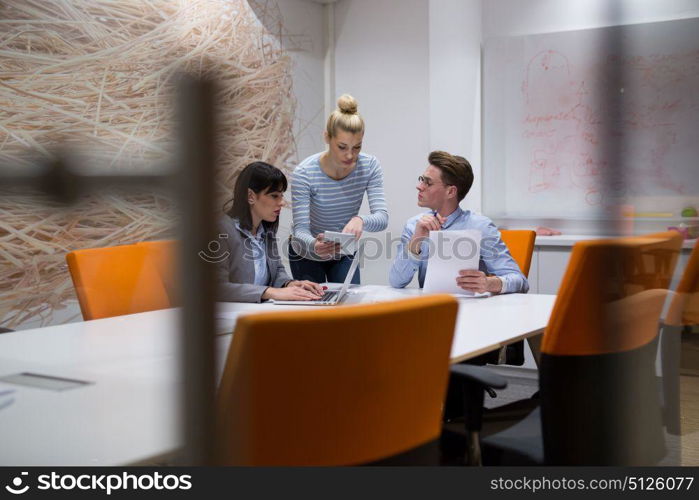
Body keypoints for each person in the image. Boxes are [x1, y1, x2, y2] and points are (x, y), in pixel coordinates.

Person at [389, 151, 528, 294]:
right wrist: (416, 241)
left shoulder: (480, 227)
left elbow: (520, 281)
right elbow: (396, 281)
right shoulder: (415, 225)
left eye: (428, 182)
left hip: (473, 311)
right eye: (421, 179)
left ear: (451, 192)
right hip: (431, 310)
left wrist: (489, 283)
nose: (419, 186)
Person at [289, 94, 388, 284]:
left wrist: (360, 220)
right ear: (327, 137)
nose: (350, 155)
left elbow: (382, 218)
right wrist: (314, 245)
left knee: (348, 308)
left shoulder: (369, 166)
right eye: (342, 147)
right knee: (312, 308)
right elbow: (301, 229)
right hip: (306, 251)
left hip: (343, 251)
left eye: (357, 147)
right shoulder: (304, 172)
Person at [216, 161, 324, 303]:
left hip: (260, 310)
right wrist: (270, 292)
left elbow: (277, 270)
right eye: (274, 196)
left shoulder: (266, 229)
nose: (282, 202)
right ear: (251, 196)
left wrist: (289, 284)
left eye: (282, 195)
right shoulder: (221, 230)